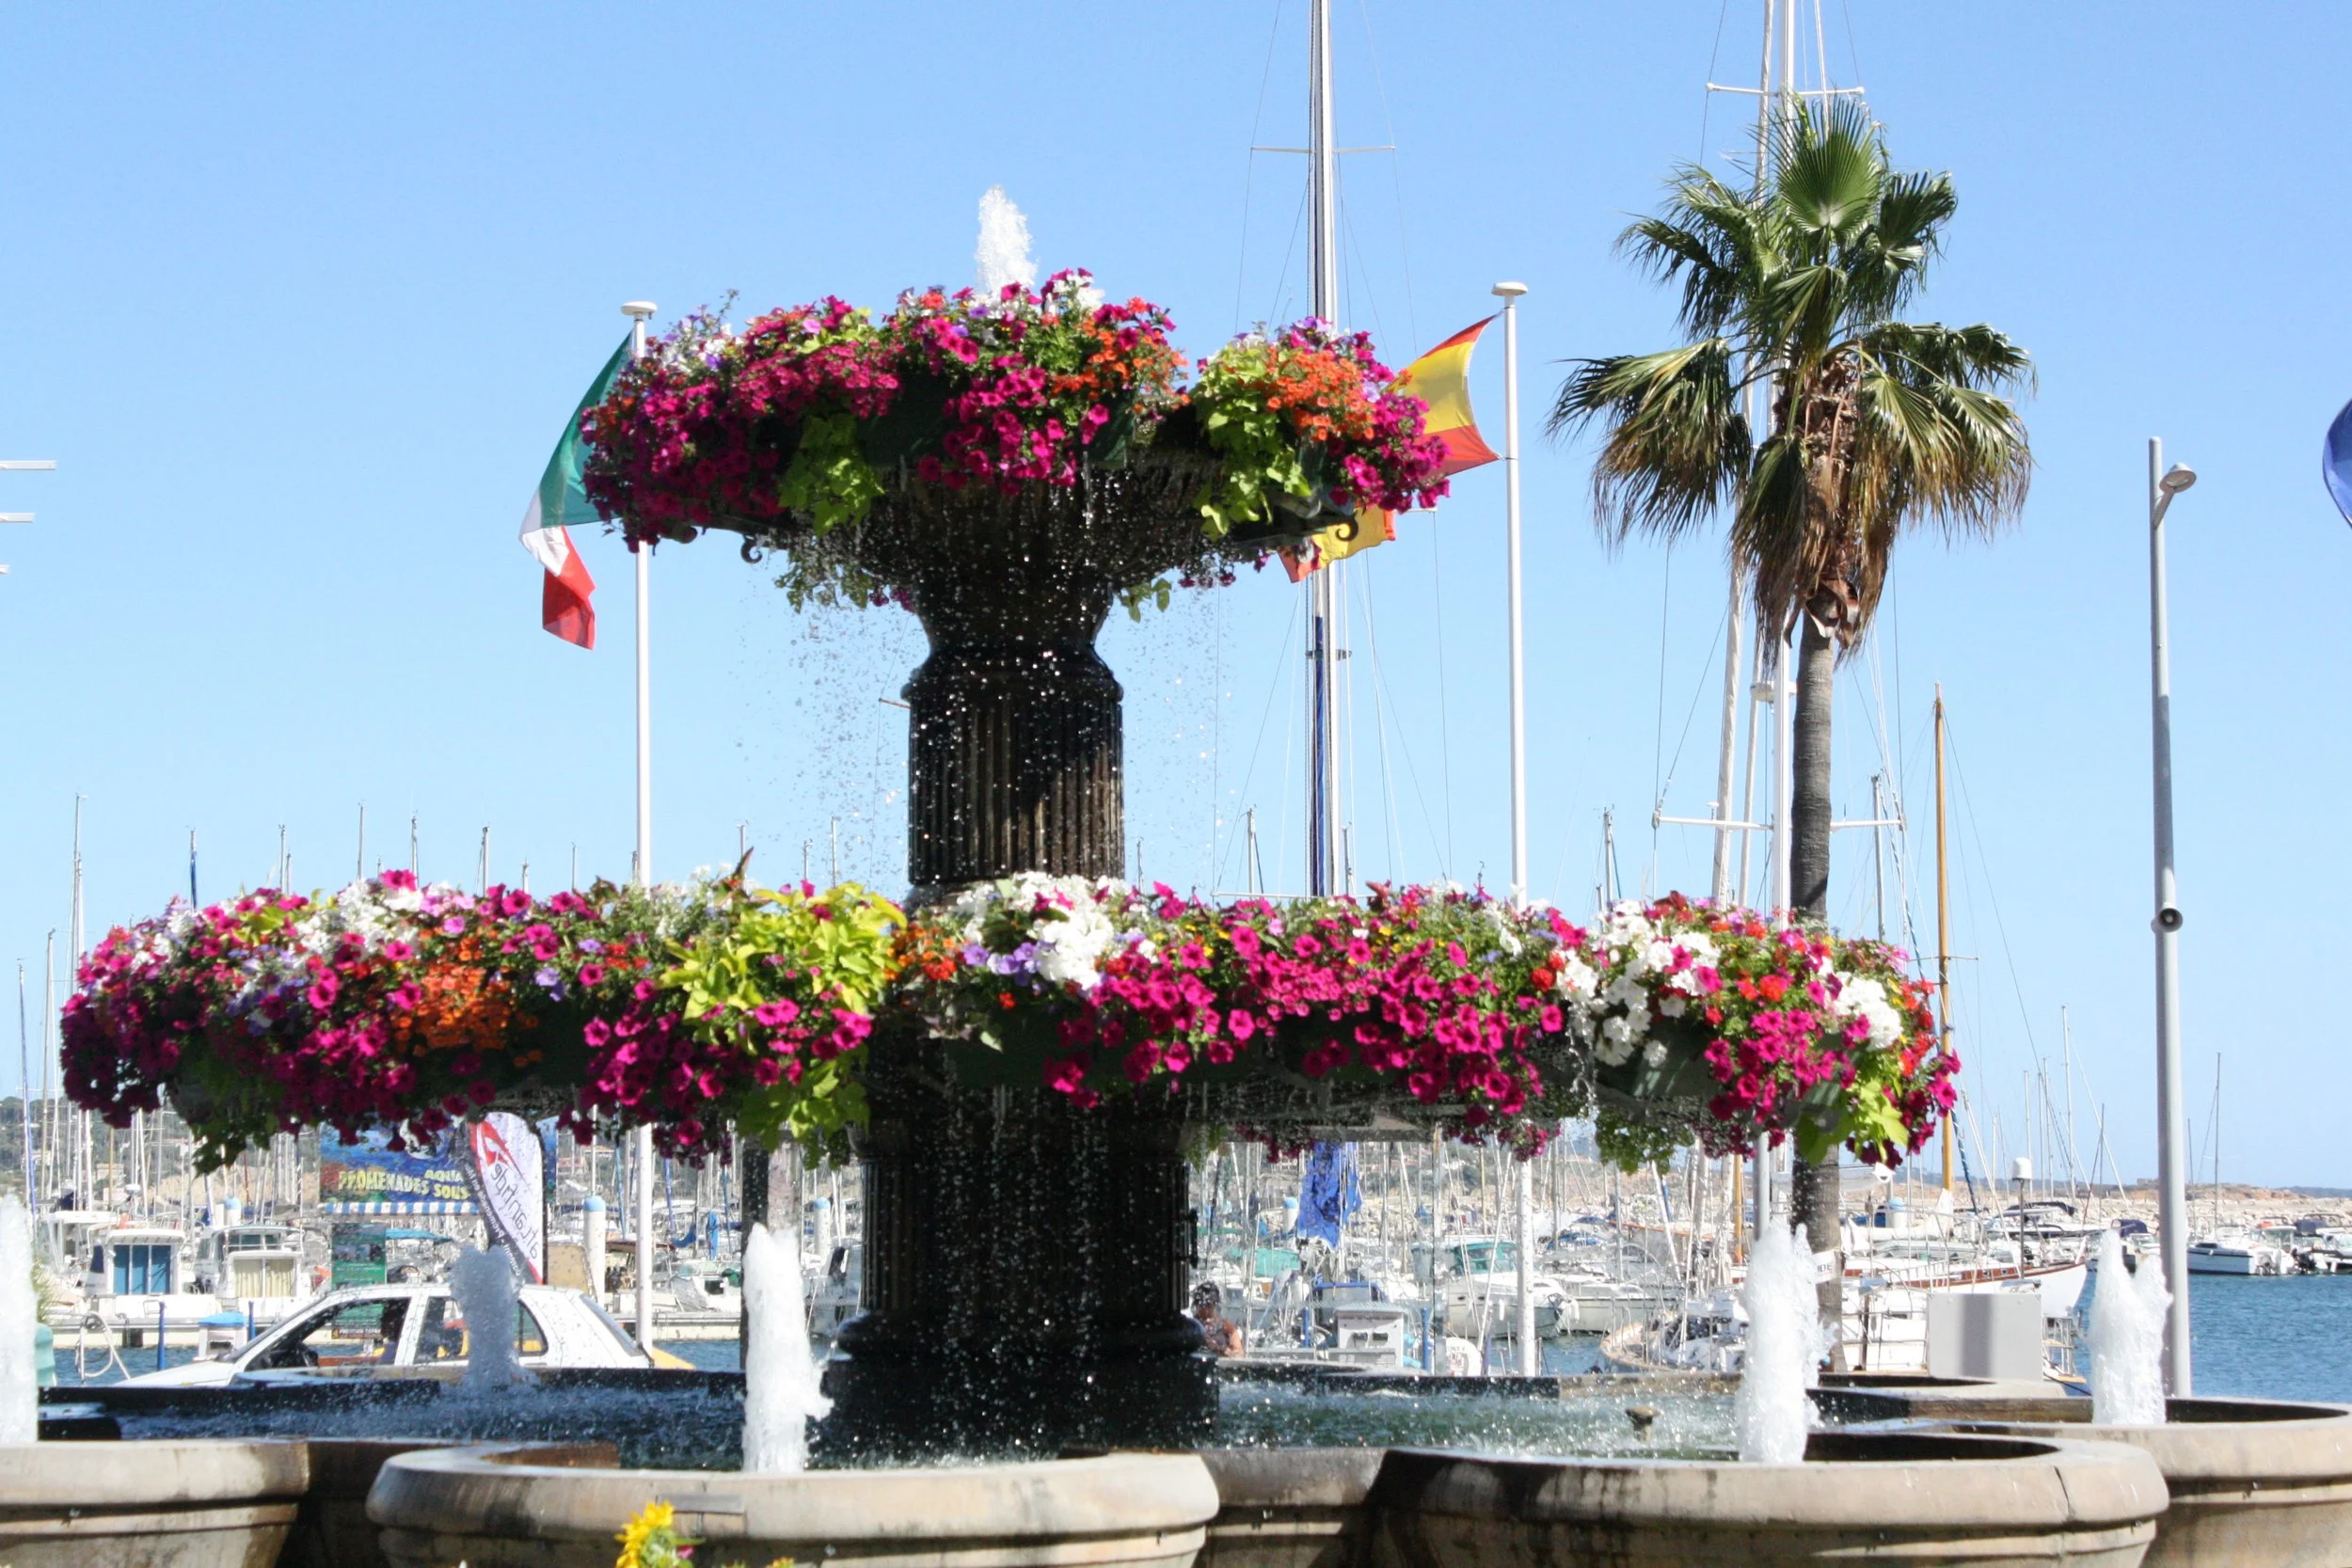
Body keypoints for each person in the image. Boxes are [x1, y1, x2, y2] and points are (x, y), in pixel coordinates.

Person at [1192, 1283, 1246, 1358]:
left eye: (1208, 1306)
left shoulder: (1226, 1327)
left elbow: (1240, 1355)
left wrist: (1221, 1349)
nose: (1205, 1310)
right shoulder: (1191, 1326)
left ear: (1215, 1304)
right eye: (1201, 1306)